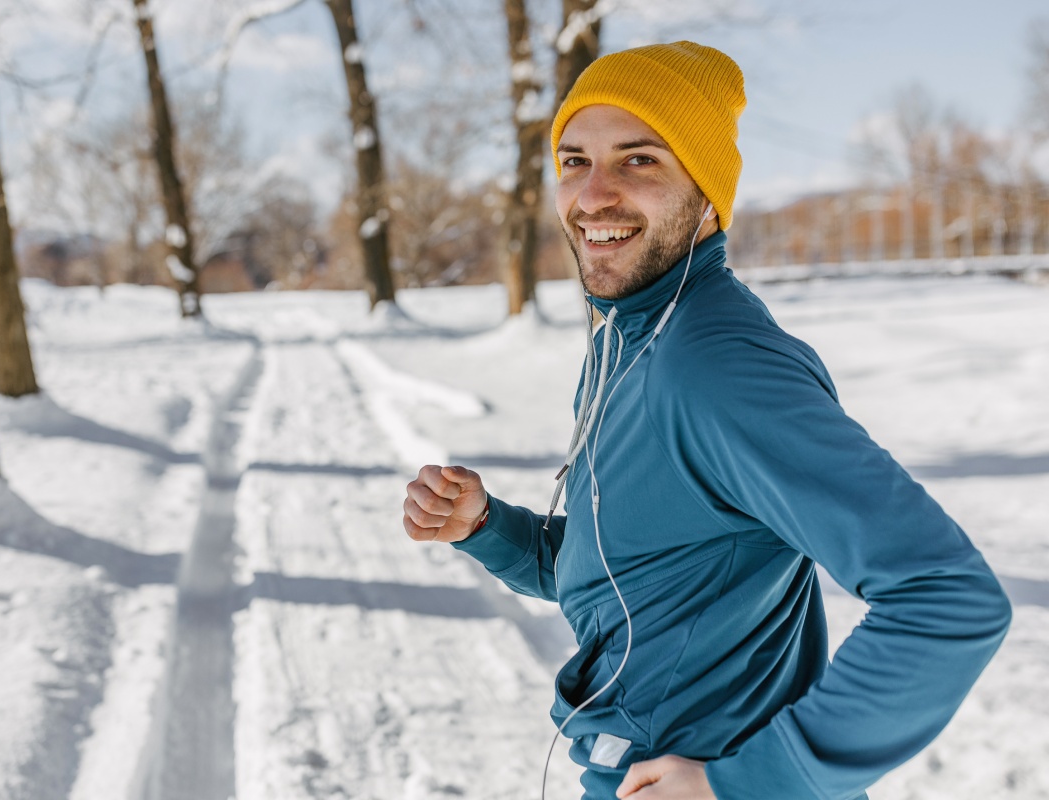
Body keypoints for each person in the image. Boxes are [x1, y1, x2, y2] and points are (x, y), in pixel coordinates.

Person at [402, 41, 1012, 800]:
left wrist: (749, 782)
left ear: (708, 190)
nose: (592, 195)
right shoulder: (624, 343)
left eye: (639, 160)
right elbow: (633, 577)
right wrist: (488, 527)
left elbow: (948, 597)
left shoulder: (715, 367)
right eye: (573, 160)